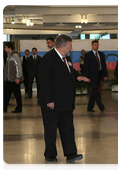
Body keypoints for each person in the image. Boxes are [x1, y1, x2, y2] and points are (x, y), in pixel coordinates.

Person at [38, 34, 89, 162]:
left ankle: (71, 153)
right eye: (70, 46)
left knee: (68, 127)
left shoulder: (66, 58)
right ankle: (50, 154)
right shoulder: (48, 58)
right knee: (51, 129)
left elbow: (69, 72)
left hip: (66, 101)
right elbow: (43, 81)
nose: (71, 49)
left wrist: (77, 76)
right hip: (52, 102)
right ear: (62, 46)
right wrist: (49, 100)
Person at [84, 40, 108, 112]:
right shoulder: (88, 55)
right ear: (92, 46)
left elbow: (103, 65)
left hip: (99, 75)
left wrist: (105, 74)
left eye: (97, 45)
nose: (96, 46)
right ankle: (101, 106)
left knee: (94, 92)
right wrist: (87, 77)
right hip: (92, 76)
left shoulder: (101, 54)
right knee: (96, 91)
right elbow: (86, 67)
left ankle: (90, 107)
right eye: (95, 45)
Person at [0, 42, 23, 113]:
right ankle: (3, 108)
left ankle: (19, 108)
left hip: (14, 79)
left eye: (6, 47)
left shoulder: (15, 56)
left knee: (17, 94)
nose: (5, 49)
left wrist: (18, 77)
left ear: (10, 48)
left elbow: (18, 67)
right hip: (9, 79)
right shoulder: (8, 56)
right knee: (6, 94)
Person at [0, 41, 7, 107]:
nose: (0, 47)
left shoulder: (4, 53)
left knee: (5, 85)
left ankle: (5, 101)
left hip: (3, 71)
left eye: (1, 45)